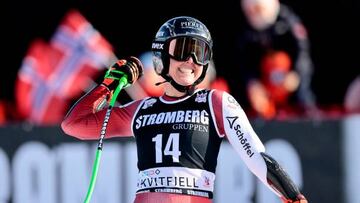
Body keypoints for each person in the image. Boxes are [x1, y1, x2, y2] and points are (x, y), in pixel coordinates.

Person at [61, 16, 307, 203]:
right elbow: (73, 124)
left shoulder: (216, 103)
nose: (190, 60)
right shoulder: (141, 110)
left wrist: (294, 198)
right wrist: (108, 85)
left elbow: (259, 160)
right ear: (161, 56)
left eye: (198, 52)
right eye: (181, 51)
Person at [232, 0, 318, 119]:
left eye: (257, 9)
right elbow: (243, 62)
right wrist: (252, 84)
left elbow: (303, 52)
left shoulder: (288, 22)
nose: (253, 15)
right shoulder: (243, 28)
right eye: (249, 12)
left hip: (289, 82)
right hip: (263, 87)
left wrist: (296, 74)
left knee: (303, 95)